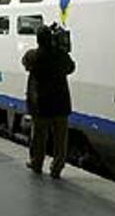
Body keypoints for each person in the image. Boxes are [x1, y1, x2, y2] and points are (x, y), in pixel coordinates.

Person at [21, 24, 75, 179]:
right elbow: (71, 68)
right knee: (60, 139)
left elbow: (25, 62)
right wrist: (60, 48)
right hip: (60, 104)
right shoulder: (61, 55)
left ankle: (37, 163)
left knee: (39, 137)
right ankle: (57, 168)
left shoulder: (33, 55)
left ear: (38, 40)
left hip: (41, 105)